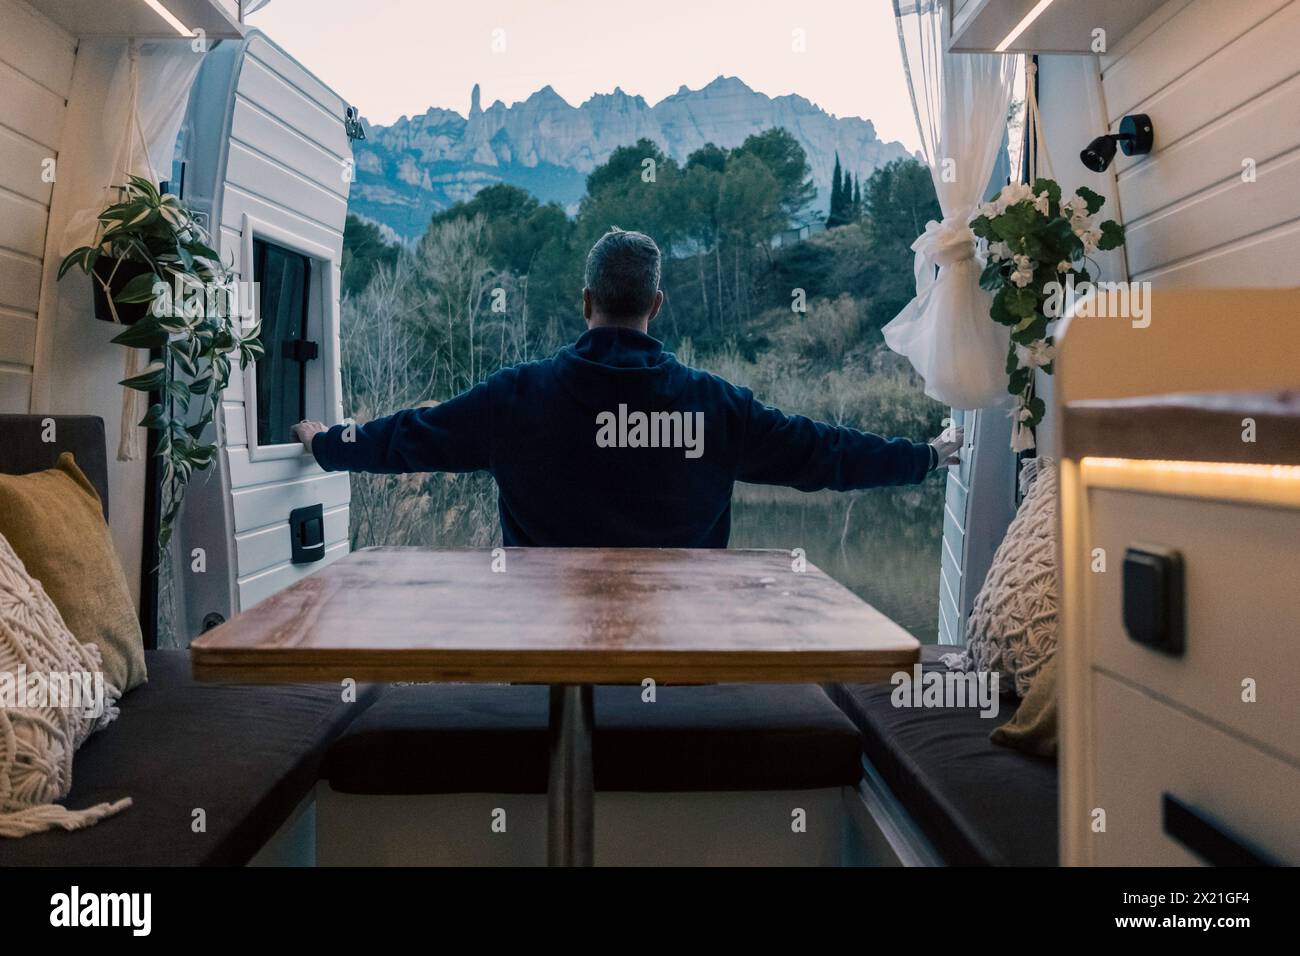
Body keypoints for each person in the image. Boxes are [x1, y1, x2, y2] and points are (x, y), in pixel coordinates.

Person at [293, 227, 961, 548]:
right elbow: (828, 454)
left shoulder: (517, 400)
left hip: (546, 665)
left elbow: (409, 439)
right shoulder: (716, 408)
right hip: (679, 669)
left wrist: (329, 444)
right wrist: (926, 457)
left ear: (586, 302)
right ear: (657, 305)